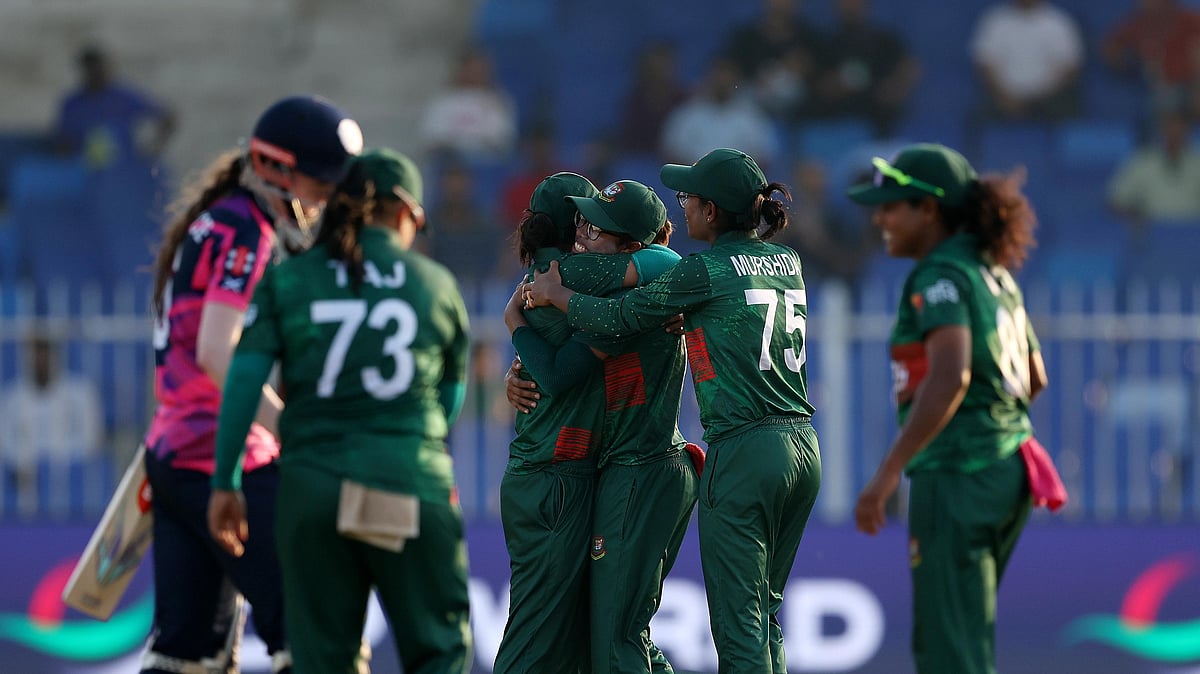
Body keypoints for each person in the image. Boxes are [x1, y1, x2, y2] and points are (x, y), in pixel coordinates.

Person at [524, 148, 822, 673]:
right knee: (768, 613)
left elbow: (618, 316)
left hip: (744, 447)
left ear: (711, 211)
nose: (681, 208)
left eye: (688, 198)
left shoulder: (702, 269)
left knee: (739, 624)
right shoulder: (787, 261)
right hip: (802, 445)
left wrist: (557, 292)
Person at [208, 148, 473, 673]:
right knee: (437, 650)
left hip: (313, 489)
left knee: (324, 658)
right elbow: (448, 400)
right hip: (404, 482)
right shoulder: (434, 283)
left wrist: (225, 481)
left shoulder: (291, 279)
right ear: (403, 211)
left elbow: (241, 383)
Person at [142, 94, 362, 674]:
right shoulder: (246, 229)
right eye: (319, 180)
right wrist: (292, 430)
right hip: (228, 455)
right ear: (274, 167)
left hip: (173, 456)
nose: (325, 195)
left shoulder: (214, 220)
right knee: (313, 630)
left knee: (187, 654)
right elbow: (218, 353)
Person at [846, 143, 1058, 674]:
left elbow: (951, 377)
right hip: (1007, 469)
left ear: (930, 210)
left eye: (893, 206)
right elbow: (1035, 378)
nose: (881, 219)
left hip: (959, 472)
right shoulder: (994, 273)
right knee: (967, 634)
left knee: (947, 648)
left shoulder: (939, 273)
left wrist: (888, 473)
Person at [504, 180, 699, 673]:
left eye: (596, 228)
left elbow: (667, 264)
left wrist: (528, 309)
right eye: (582, 224)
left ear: (632, 246)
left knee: (615, 641)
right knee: (612, 639)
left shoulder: (635, 287)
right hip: (621, 470)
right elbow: (554, 370)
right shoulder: (592, 290)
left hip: (643, 468)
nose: (584, 235)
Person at [493, 172, 629, 674]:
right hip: (555, 478)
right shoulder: (578, 277)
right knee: (535, 636)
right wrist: (514, 325)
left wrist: (516, 327)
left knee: (560, 637)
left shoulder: (536, 280)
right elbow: (556, 377)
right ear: (578, 222)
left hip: (541, 472)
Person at [0, 333, 103, 516]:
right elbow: (5, 442)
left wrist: (50, 460)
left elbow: (90, 440)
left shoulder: (80, 392)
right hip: (23, 479)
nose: (41, 359)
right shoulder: (11, 398)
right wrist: (27, 460)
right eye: (36, 353)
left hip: (70, 478)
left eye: (45, 352)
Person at [53, 44, 176, 169]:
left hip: (122, 171)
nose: (96, 74)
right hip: (85, 172)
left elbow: (168, 118)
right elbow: (62, 141)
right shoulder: (73, 104)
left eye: (99, 68)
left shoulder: (125, 97)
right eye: (91, 69)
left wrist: (153, 149)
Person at [810, 0, 921, 137]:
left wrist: (894, 88)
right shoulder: (827, 45)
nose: (850, 6)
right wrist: (836, 85)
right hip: (836, 127)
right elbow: (818, 85)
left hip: (879, 130)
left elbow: (911, 68)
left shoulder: (884, 42)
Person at [659, 55, 781, 172]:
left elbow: (764, 157)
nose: (722, 82)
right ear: (708, 78)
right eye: (718, 77)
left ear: (736, 79)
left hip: (737, 185)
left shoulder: (752, 116)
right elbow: (670, 154)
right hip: (694, 184)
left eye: (727, 77)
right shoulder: (687, 114)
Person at [970, 0, 1084, 124]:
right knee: (977, 117)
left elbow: (1069, 69)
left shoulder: (1059, 22)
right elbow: (985, 64)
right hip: (1003, 97)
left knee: (1069, 112)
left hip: (1048, 99)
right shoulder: (996, 21)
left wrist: (1042, 96)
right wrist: (1003, 96)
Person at [418, 45, 519, 161]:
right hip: (449, 165)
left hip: (485, 165)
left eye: (478, 70)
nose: (474, 74)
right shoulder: (443, 101)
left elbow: (503, 140)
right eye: (470, 69)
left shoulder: (497, 100)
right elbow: (431, 139)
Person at [1108, 105, 1200, 225]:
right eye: (1170, 128)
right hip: (1152, 233)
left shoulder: (1197, 163)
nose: (1174, 134)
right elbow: (1115, 201)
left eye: (1179, 129)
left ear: (1188, 131)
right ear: (1162, 130)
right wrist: (1134, 218)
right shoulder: (1141, 161)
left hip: (1193, 233)